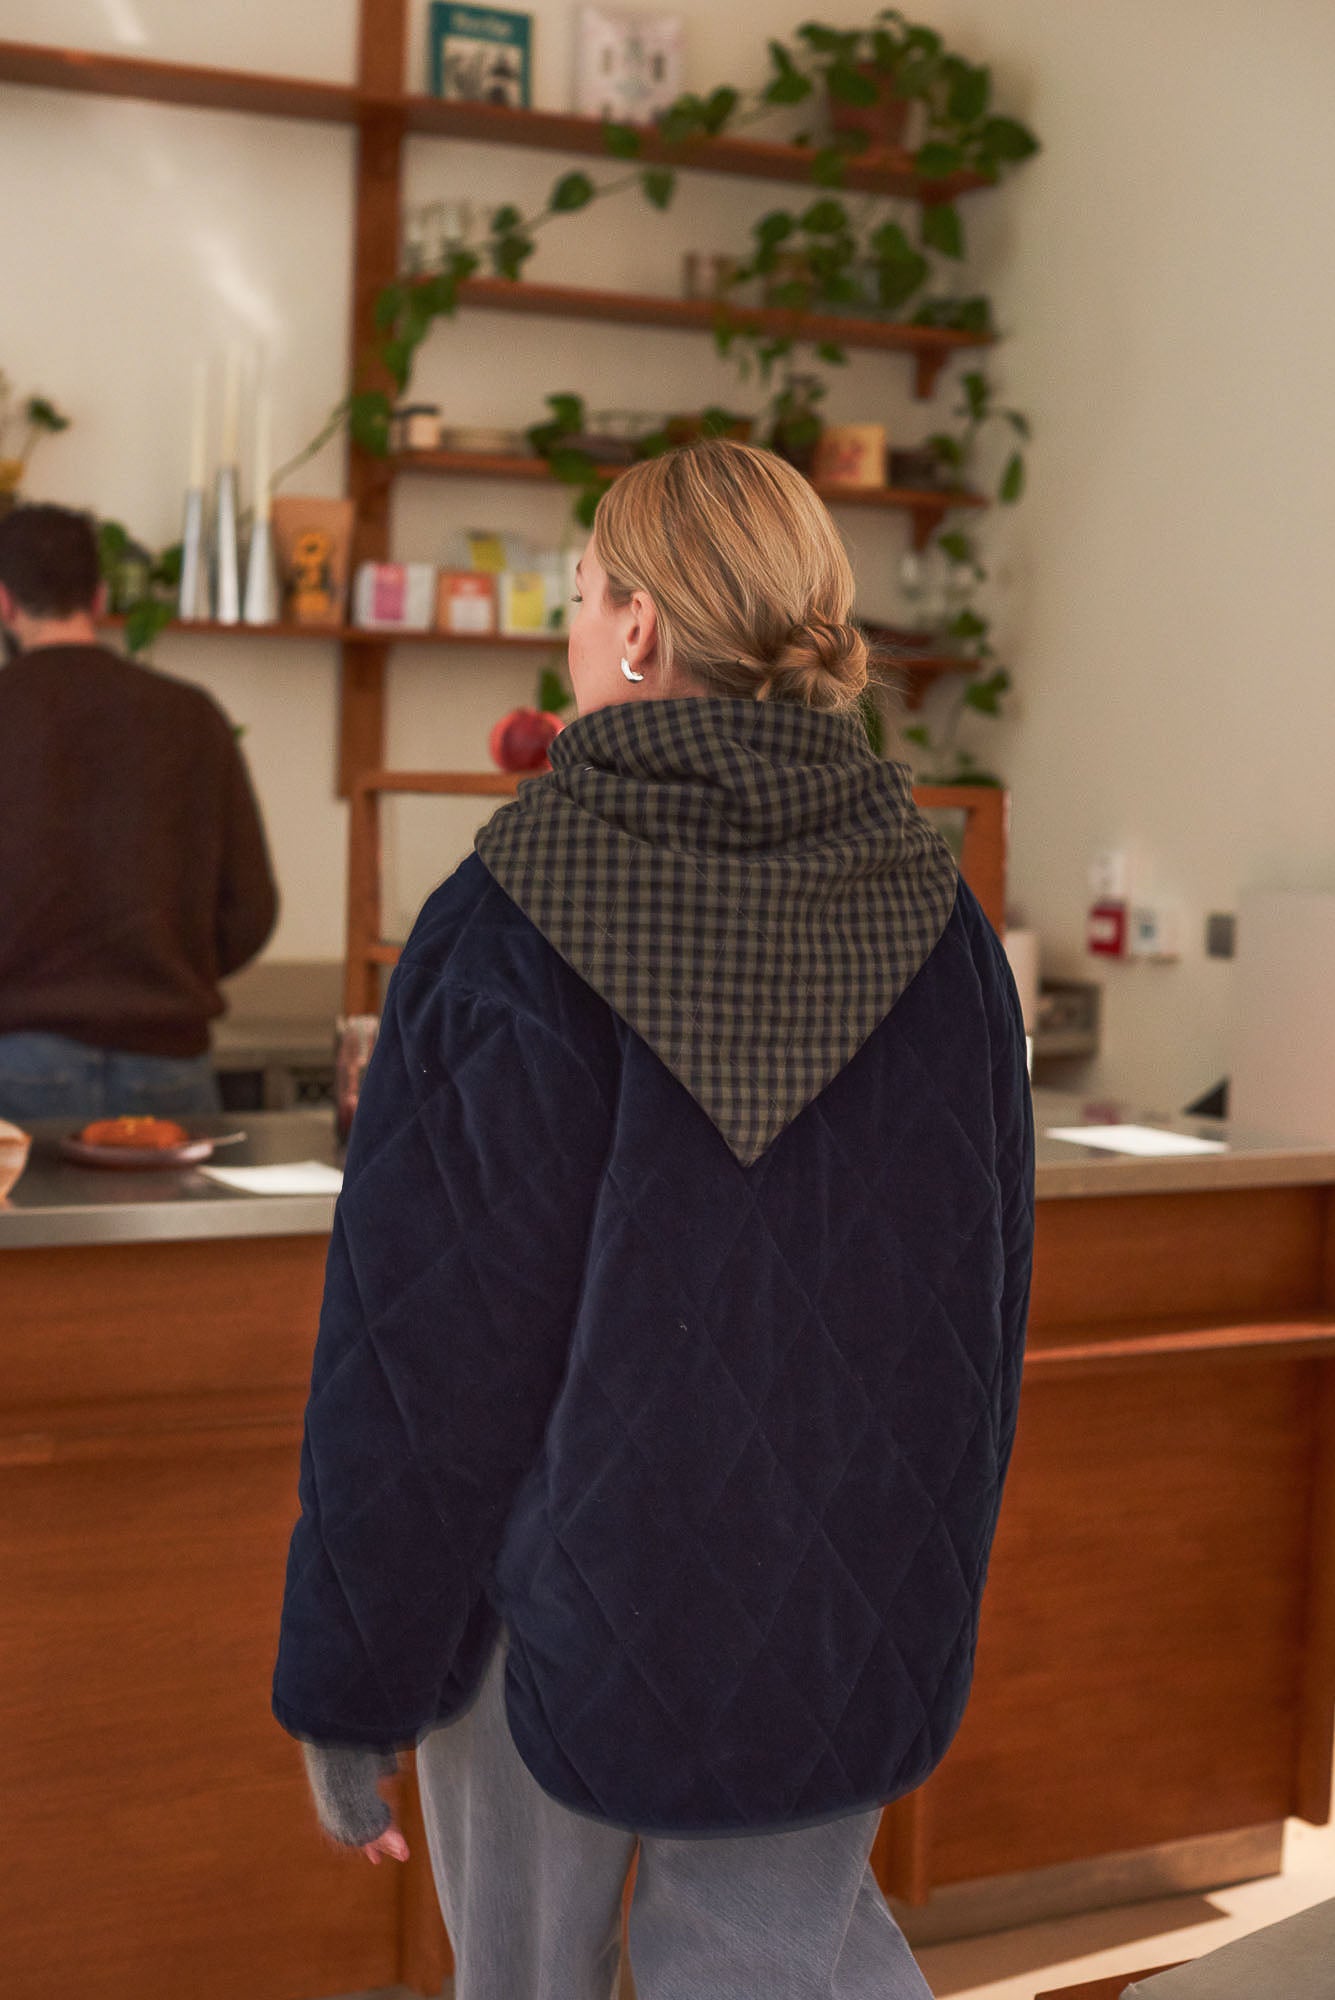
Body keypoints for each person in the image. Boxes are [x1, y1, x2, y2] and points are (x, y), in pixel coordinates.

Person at [273, 439, 1034, 2000]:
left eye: (576, 596)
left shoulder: (512, 910)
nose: (567, 628)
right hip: (834, 1611)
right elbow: (981, 1311)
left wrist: (353, 1683)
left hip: (546, 1617)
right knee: (784, 1974)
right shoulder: (939, 914)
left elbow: (422, 1361)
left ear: (633, 633)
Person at [0, 503, 277, 1121]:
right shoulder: (190, 714)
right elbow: (252, 908)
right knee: (165, 1223)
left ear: (4, 602)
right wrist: (169, 971)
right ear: (98, 598)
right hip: (170, 1062)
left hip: (14, 1060)